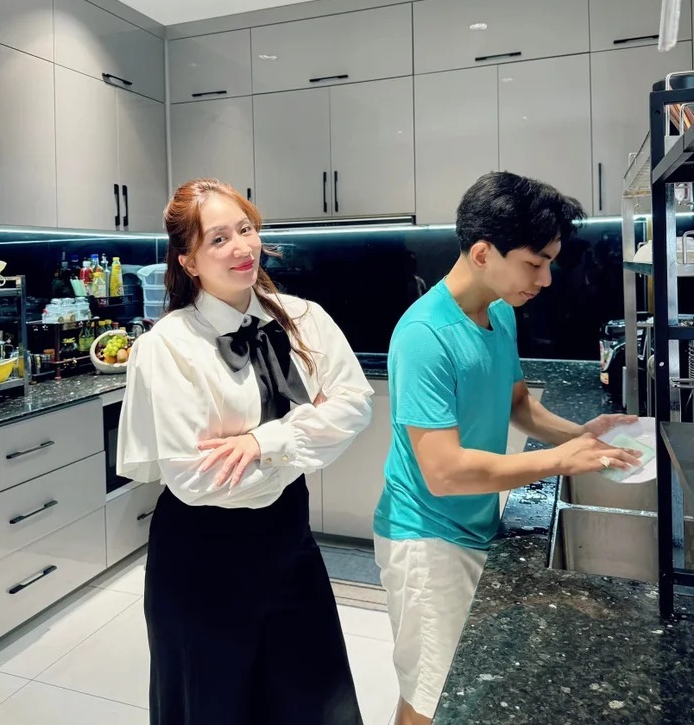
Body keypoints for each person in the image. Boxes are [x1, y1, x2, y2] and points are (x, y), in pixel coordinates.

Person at [373, 171, 641, 725]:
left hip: (473, 524)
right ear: (482, 253)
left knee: (447, 684)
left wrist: (584, 435)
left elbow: (518, 405)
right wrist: (558, 460)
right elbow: (444, 472)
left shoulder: (497, 310)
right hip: (426, 539)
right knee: (430, 699)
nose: (545, 279)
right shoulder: (424, 336)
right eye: (534, 263)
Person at [117, 178, 373, 725]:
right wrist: (309, 430)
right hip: (200, 558)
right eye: (218, 239)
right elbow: (198, 479)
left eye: (246, 229)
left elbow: (355, 406)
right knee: (212, 706)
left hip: (290, 539)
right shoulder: (166, 347)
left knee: (314, 701)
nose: (242, 247)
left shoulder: (304, 318)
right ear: (188, 261)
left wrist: (263, 442)